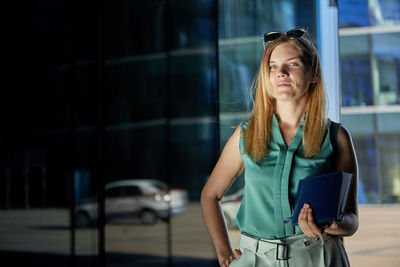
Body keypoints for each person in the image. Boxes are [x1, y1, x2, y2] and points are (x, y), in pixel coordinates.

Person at [200, 27, 358, 267]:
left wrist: (333, 225)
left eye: (292, 64)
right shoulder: (246, 134)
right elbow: (210, 195)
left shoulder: (337, 137)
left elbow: (352, 220)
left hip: (318, 256)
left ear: (313, 74)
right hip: (254, 259)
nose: (280, 73)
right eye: (272, 67)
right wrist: (223, 252)